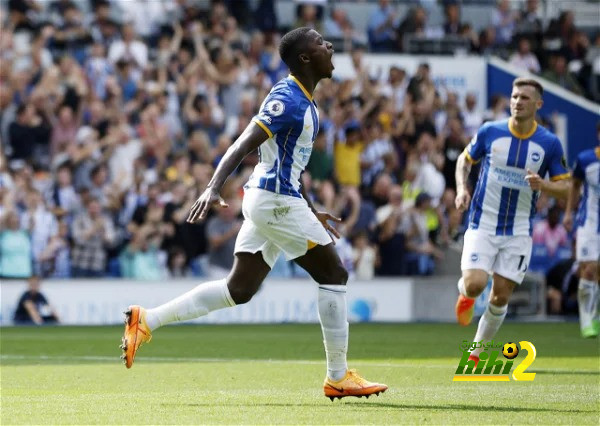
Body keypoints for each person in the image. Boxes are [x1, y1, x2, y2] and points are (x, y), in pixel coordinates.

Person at [120, 27, 387, 400]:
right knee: (334, 273)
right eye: (318, 42)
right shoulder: (287, 97)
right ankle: (338, 376)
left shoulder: (308, 102)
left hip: (276, 199)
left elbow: (290, 165)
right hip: (275, 201)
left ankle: (147, 319)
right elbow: (245, 140)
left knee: (239, 289)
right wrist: (213, 185)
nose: (328, 45)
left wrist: (312, 210)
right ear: (305, 58)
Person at [454, 77, 570, 364]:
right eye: (515, 96)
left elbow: (566, 188)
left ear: (538, 104)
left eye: (525, 98)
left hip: (518, 229)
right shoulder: (490, 131)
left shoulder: (549, 144)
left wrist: (543, 185)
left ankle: (476, 352)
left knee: (501, 295)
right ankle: (465, 295)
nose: (517, 102)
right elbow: (464, 160)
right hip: (483, 222)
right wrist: (461, 189)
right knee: (475, 284)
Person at [563, 146, 600, 338]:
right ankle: (586, 319)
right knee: (589, 268)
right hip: (589, 224)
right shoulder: (585, 160)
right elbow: (574, 184)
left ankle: (595, 314)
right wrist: (569, 212)